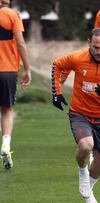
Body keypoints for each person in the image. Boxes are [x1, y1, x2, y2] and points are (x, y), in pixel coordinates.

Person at [52, 28, 100, 202]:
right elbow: (57, 65)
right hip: (79, 113)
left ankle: (89, 192)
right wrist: (56, 92)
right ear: (89, 43)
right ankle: (82, 172)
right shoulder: (78, 58)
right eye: (96, 47)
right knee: (86, 146)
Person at [0, 0, 31, 169]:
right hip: (6, 71)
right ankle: (5, 143)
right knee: (6, 110)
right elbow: (20, 43)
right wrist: (27, 69)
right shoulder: (12, 15)